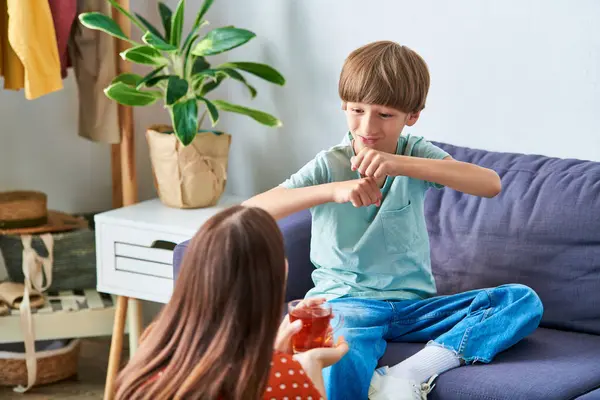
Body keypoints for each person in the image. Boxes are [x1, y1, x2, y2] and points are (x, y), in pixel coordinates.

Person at [243, 40, 544, 400]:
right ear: (343, 106)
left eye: (385, 115)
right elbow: (251, 211)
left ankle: (408, 375)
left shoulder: (414, 152)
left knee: (520, 301)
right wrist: (333, 191)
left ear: (411, 116)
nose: (367, 126)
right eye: (356, 110)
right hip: (346, 303)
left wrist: (399, 164)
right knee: (337, 358)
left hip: (413, 307)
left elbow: (490, 184)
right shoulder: (330, 164)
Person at [114, 205, 349, 400]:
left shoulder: (153, 348)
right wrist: (310, 365)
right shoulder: (285, 378)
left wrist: (273, 354)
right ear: (280, 272)